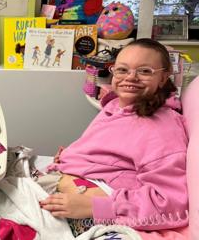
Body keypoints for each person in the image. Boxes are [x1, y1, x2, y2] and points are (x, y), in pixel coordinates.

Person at [39, 38, 188, 236]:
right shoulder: (116, 105)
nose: (130, 77)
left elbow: (170, 202)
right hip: (69, 177)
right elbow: (110, 151)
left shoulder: (161, 128)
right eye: (122, 70)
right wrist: (74, 155)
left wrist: (95, 207)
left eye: (145, 71)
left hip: (93, 205)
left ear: (163, 78)